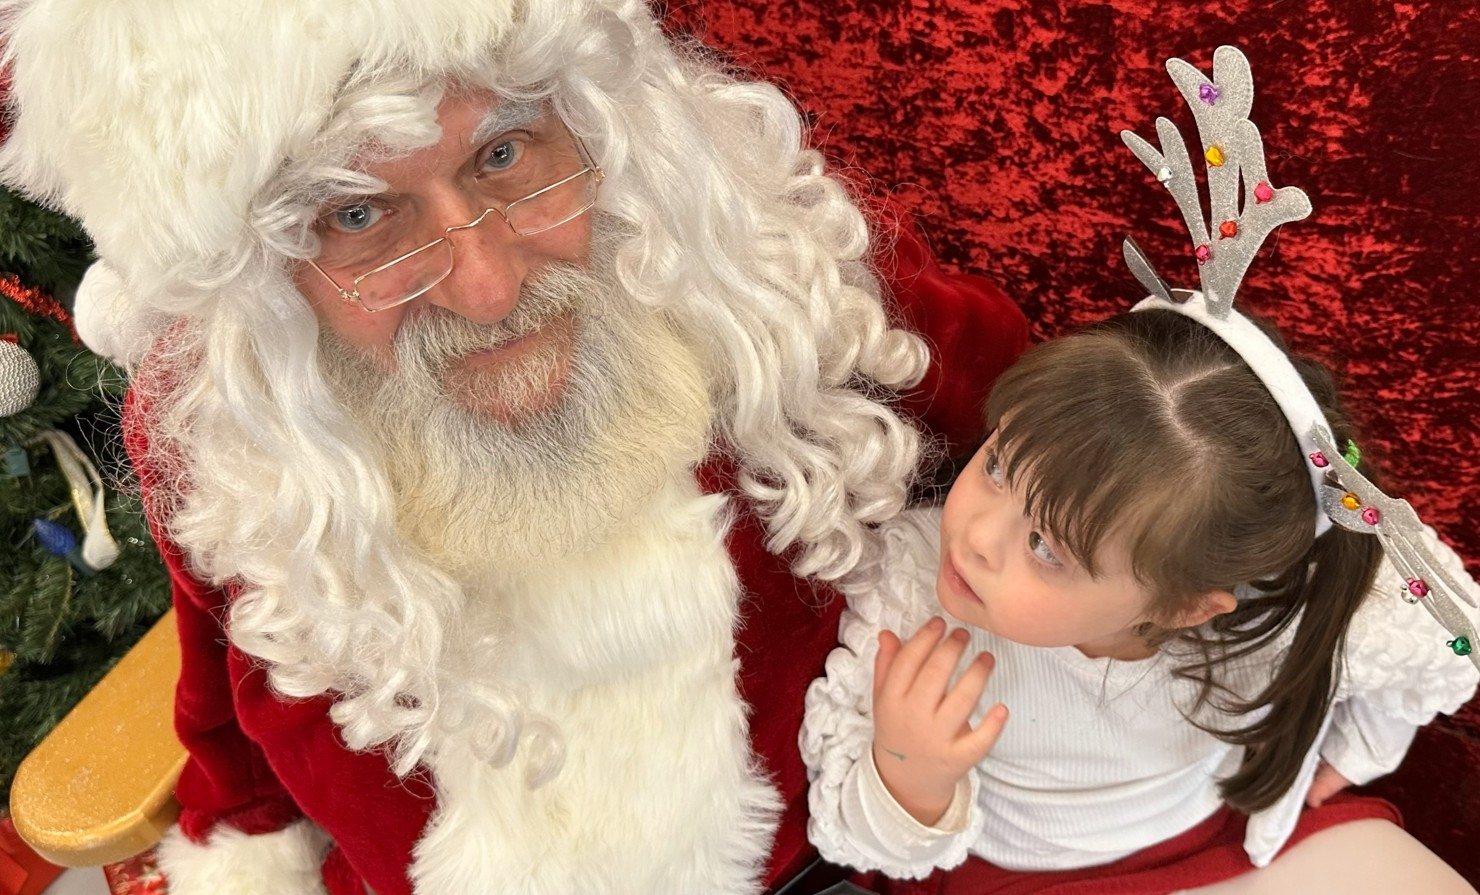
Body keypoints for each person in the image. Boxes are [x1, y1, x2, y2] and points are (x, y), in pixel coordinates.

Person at [0, 1, 1029, 893]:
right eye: (358, 214)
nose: (486, 287)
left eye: (502, 154)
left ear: (595, 123)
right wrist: (243, 845)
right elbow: (227, 708)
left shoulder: (772, 278)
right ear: (261, 279)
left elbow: (1065, 470)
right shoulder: (232, 424)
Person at [801, 47, 1480, 894]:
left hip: (1231, 833)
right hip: (1019, 874)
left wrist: (1351, 754)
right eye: (1000, 464)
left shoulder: (1257, 606)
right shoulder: (912, 584)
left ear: (1186, 606)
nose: (973, 537)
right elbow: (858, 835)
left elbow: (1445, 628)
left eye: (1046, 547)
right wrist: (909, 769)